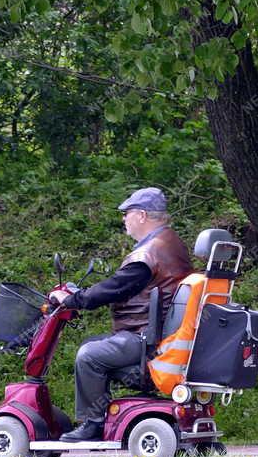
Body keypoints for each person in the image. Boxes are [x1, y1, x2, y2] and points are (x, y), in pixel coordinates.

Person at [50, 187, 193, 442]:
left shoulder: (149, 253)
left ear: (141, 215)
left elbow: (116, 287)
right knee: (94, 346)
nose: (123, 219)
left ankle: (92, 424)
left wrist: (73, 299)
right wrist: (81, 296)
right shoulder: (172, 243)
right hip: (160, 333)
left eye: (126, 214)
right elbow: (122, 285)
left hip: (146, 337)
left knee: (89, 355)